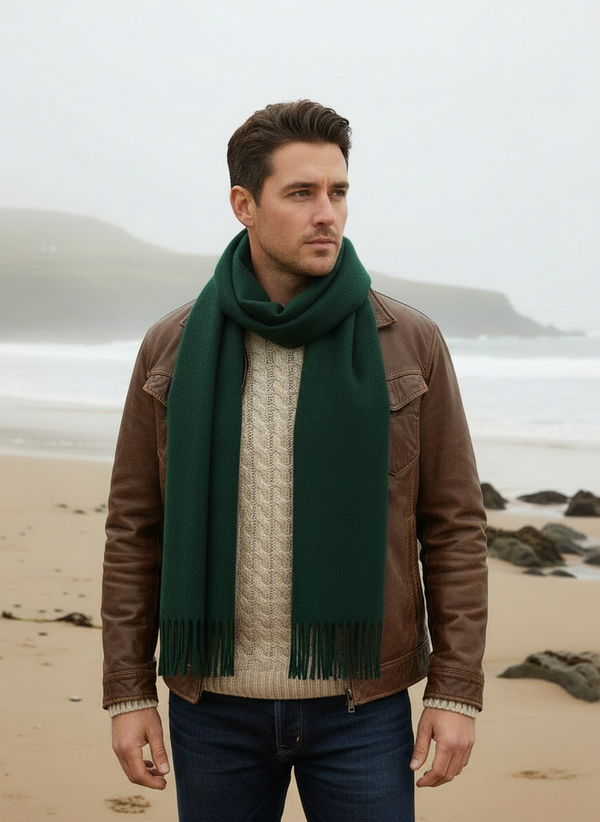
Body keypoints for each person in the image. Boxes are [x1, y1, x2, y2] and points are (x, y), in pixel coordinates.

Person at [102, 100, 487, 822]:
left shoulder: (409, 341)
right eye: (302, 193)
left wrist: (455, 691)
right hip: (211, 708)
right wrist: (128, 693)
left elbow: (455, 526)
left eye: (338, 192)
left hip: (361, 707)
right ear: (244, 205)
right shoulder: (172, 347)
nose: (327, 214)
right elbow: (134, 529)